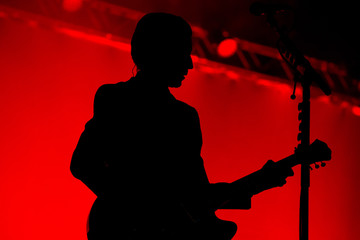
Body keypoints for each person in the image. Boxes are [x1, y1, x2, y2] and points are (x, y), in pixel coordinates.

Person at [70, 13, 331, 240]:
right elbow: (83, 164)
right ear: (161, 52)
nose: (190, 63)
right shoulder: (116, 98)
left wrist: (261, 181)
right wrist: (140, 210)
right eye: (183, 53)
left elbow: (198, 196)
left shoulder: (185, 117)